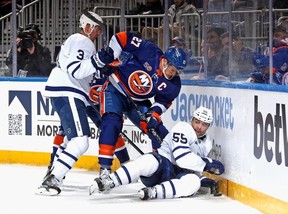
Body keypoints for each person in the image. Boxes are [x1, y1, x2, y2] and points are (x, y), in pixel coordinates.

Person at [35, 10, 117, 196]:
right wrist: (97, 61)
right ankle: (53, 179)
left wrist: (101, 67)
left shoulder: (77, 41)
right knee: (80, 141)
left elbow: (83, 71)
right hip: (69, 91)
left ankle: (54, 171)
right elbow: (76, 70)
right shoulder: (83, 41)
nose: (98, 33)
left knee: (70, 139)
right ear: (87, 27)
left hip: (67, 92)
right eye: (96, 28)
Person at [92, 31, 187, 181]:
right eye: (172, 69)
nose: (173, 74)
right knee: (111, 123)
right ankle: (104, 169)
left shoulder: (174, 83)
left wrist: (154, 115)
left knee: (156, 129)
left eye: (177, 71)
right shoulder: (150, 51)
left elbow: (164, 101)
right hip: (115, 89)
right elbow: (121, 38)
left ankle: (164, 167)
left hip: (138, 100)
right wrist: (110, 59)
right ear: (164, 61)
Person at [89, 106, 225, 200]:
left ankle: (153, 192)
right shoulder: (183, 128)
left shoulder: (207, 144)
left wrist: (201, 178)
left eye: (204, 124)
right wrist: (208, 164)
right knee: (147, 161)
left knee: (194, 182)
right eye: (197, 122)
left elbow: (194, 169)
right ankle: (108, 181)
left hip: (177, 177)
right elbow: (182, 159)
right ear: (192, 120)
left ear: (209, 126)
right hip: (162, 167)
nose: (199, 127)